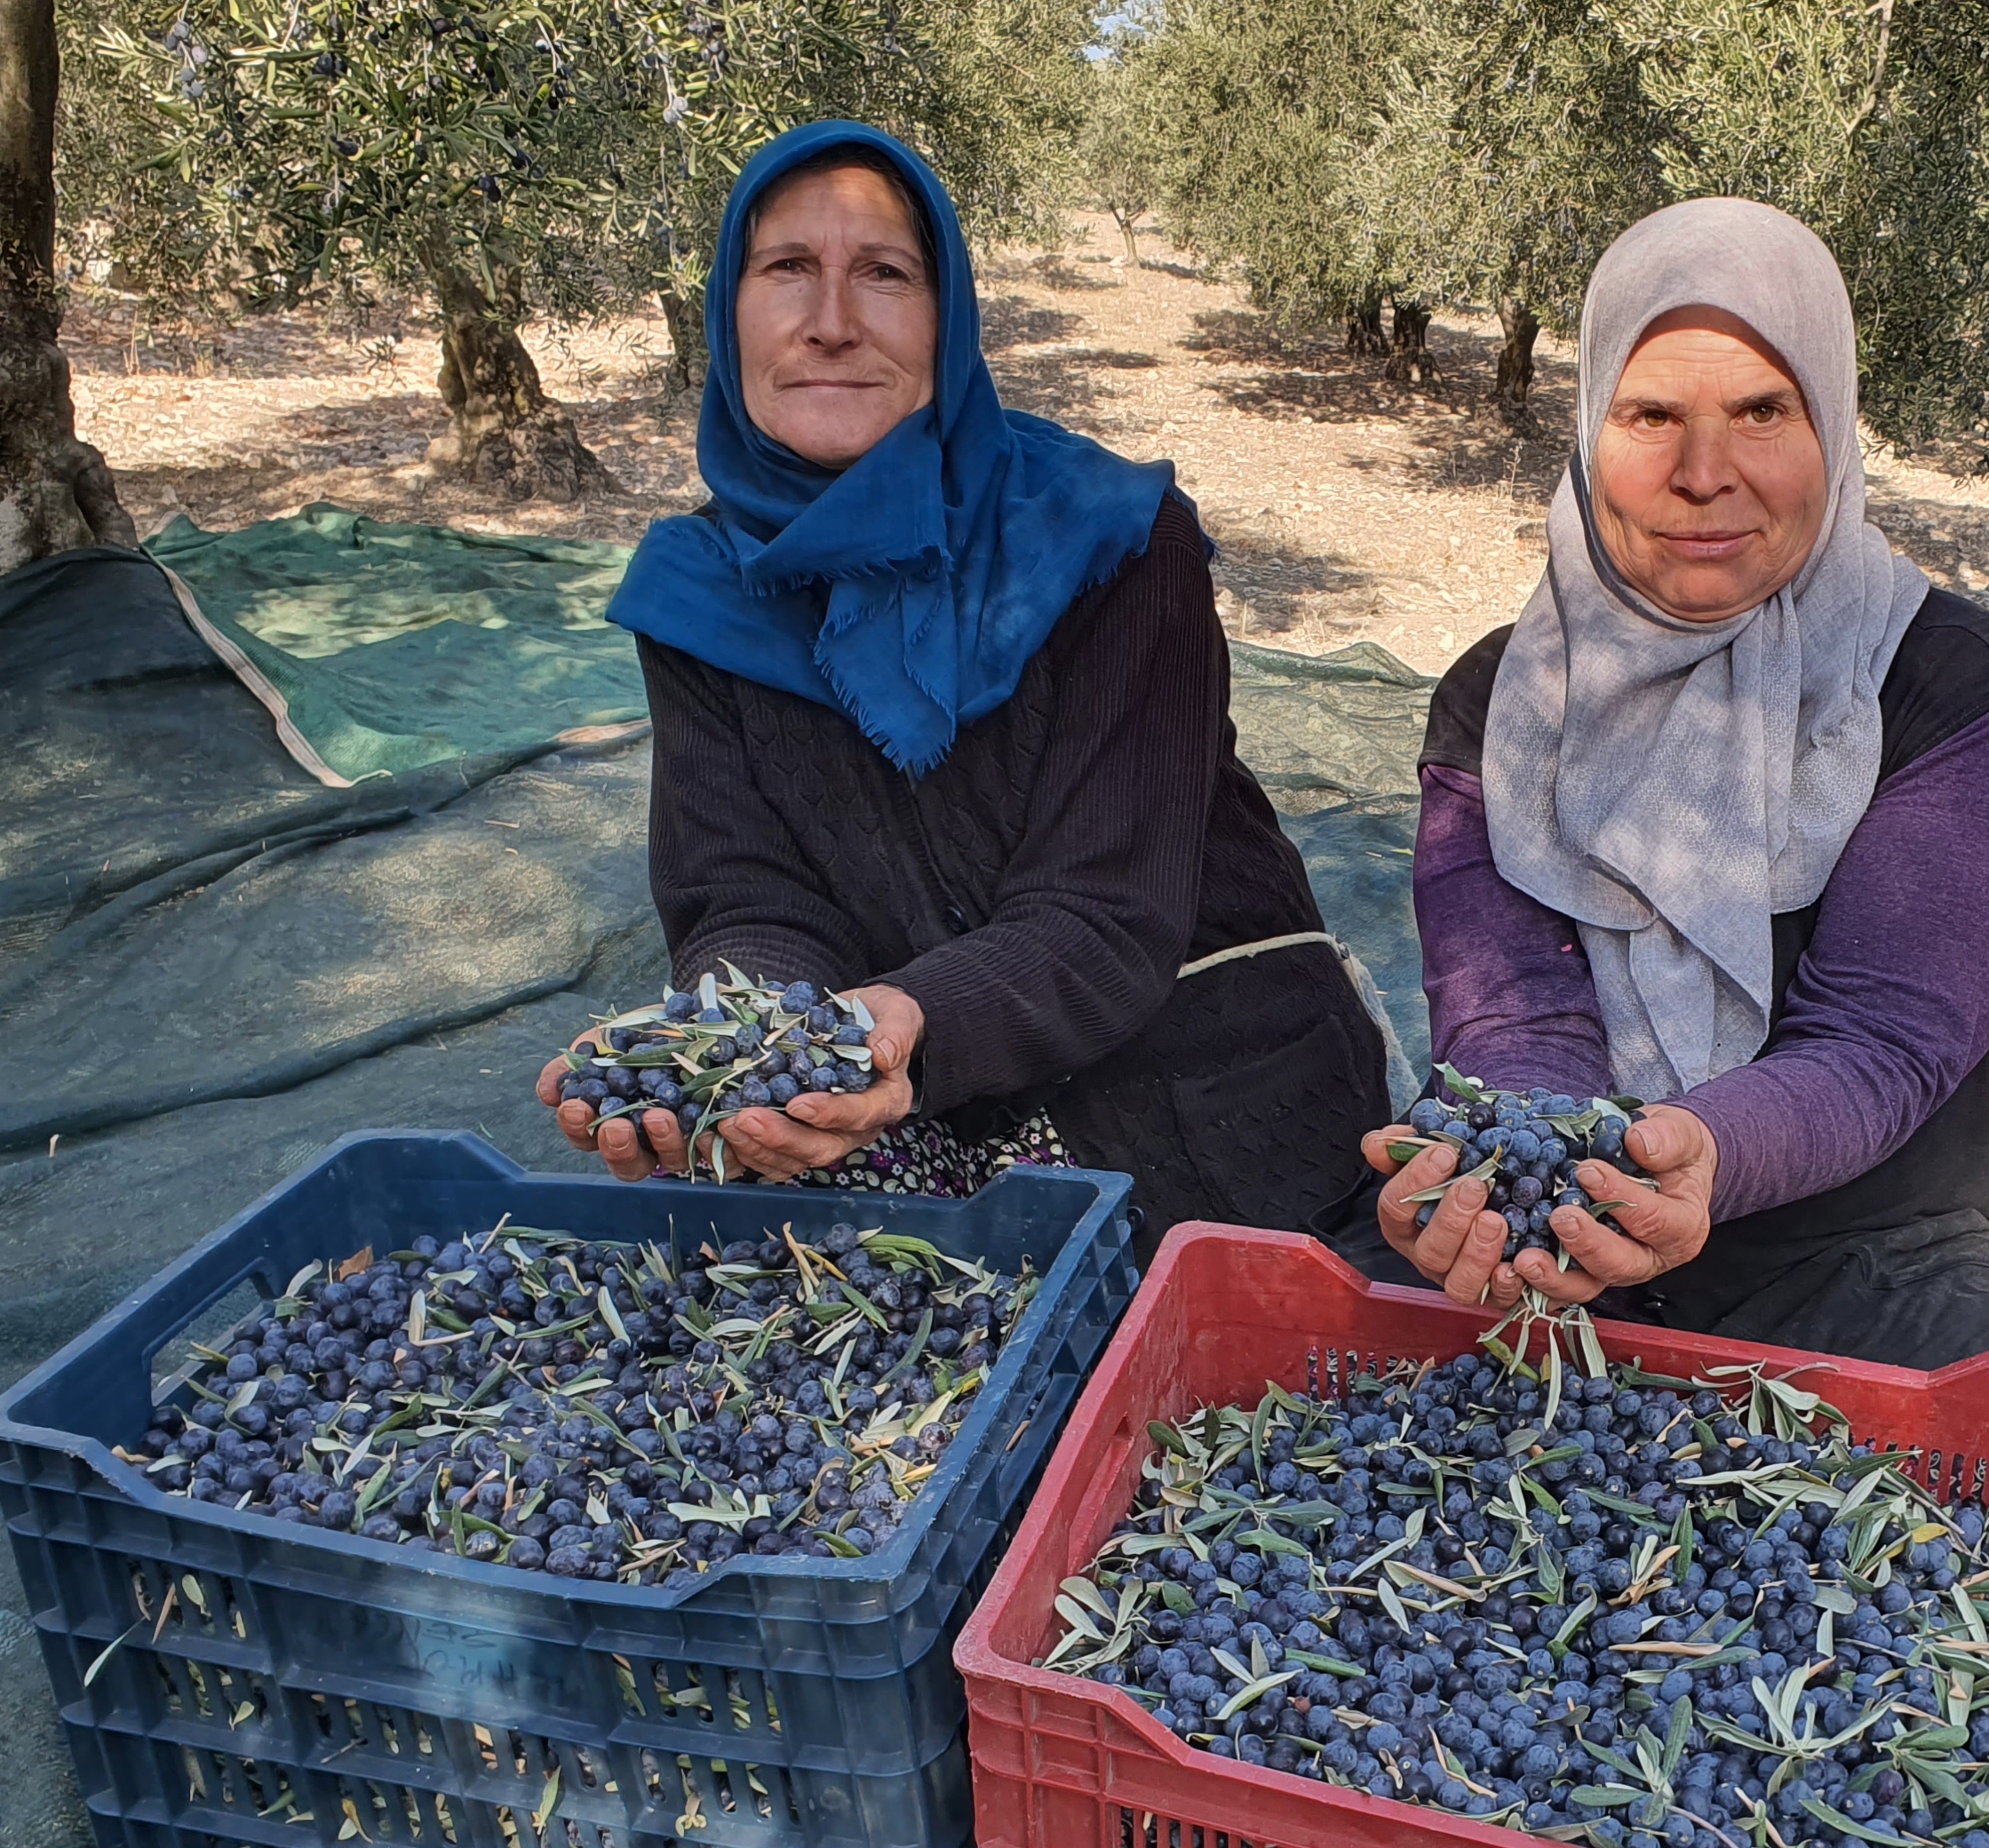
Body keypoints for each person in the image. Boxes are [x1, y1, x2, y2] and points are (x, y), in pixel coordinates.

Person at [549, 121, 1385, 1235]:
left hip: (1214, 1098)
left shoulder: (1112, 540)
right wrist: (743, 1039)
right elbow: (745, 891)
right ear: (726, 312)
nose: (832, 323)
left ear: (948, 321)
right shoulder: (699, 592)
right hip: (901, 1120)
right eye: (787, 268)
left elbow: (1103, 914)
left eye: (885, 275)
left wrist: (896, 1024)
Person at [1356, 198, 1989, 1364]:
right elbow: (1518, 1017)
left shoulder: (1963, 694)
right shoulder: (1499, 704)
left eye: (1762, 411)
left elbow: (1881, 1041)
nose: (1706, 474)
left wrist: (1695, 1158)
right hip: (1573, 1241)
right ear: (1591, 426)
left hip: (1882, 1249)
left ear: (1832, 428)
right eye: (1651, 414)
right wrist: (1520, 1162)